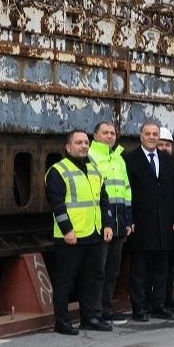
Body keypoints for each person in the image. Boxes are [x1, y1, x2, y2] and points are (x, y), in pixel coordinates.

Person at [46, 129, 115, 335]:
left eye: (86, 143)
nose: (84, 146)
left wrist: (108, 224)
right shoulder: (58, 171)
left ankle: (89, 318)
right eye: (79, 143)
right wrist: (67, 230)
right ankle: (62, 321)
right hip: (71, 236)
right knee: (65, 280)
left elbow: (104, 199)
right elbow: (57, 204)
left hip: (93, 233)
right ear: (68, 147)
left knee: (90, 279)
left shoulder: (93, 169)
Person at [123, 122, 174, 321]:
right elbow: (126, 192)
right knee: (139, 269)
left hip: (164, 223)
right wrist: (129, 219)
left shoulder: (168, 160)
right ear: (140, 136)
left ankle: (159, 304)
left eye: (154, 134)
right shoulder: (130, 159)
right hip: (141, 222)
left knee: (161, 269)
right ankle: (139, 306)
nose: (151, 137)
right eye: (147, 134)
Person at [88, 122, 133, 326]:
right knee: (97, 270)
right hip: (100, 224)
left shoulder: (119, 159)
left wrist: (128, 219)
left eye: (112, 133)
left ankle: (106, 311)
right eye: (105, 133)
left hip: (119, 223)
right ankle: (94, 312)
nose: (109, 136)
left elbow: (126, 191)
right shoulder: (90, 157)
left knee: (112, 271)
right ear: (95, 136)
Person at [157, 125, 174, 310]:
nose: (164, 148)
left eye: (167, 145)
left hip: (173, 225)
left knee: (170, 266)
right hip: (155, 225)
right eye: (160, 144)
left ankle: (168, 298)